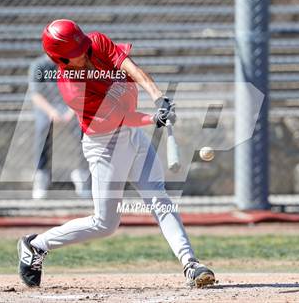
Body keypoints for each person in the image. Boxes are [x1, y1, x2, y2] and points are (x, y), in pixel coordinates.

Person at [18, 19, 215, 288]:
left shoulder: (96, 42)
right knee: (105, 223)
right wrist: (153, 119)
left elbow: (132, 70)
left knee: (159, 197)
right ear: (61, 59)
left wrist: (160, 99)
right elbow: (120, 117)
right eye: (78, 54)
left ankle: (190, 264)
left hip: (131, 137)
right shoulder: (72, 88)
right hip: (104, 146)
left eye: (85, 48)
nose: (86, 56)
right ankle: (36, 245)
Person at [28, 54, 91, 199]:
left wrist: (71, 111)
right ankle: (41, 174)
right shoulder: (39, 65)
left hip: (70, 106)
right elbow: (36, 95)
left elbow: (81, 90)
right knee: (42, 128)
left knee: (85, 132)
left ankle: (82, 174)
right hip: (47, 107)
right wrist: (51, 112)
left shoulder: (73, 63)